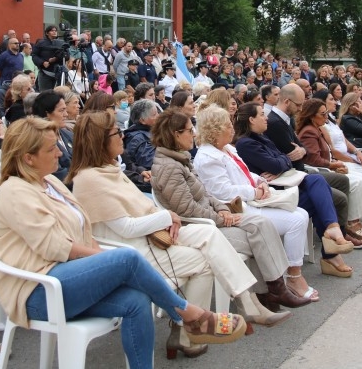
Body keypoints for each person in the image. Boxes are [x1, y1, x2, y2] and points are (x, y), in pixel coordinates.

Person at [0, 118, 246, 368]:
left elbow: (82, 228)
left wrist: (104, 262)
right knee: (127, 258)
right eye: (50, 148)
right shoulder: (15, 192)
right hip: (38, 289)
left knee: (136, 300)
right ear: (27, 158)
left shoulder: (51, 182)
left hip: (66, 279)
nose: (59, 152)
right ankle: (190, 315)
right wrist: (106, 262)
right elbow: (57, 248)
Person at [69, 110, 250, 355]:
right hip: (132, 251)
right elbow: (125, 227)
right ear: (99, 140)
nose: (123, 136)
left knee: (207, 237)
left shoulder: (108, 170)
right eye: (117, 132)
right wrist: (165, 217)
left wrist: (164, 218)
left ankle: (238, 305)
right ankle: (193, 327)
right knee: (204, 260)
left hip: (148, 238)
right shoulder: (90, 179)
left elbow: (141, 212)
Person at [150, 109, 297, 326]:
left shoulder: (179, 159)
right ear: (175, 134)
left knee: (261, 224)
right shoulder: (169, 166)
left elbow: (206, 193)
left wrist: (223, 209)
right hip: (198, 226)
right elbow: (187, 209)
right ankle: (261, 298)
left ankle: (273, 290)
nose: (194, 135)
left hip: (211, 218)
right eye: (190, 131)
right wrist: (220, 218)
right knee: (257, 238)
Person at [192, 106, 316, 306]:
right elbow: (222, 192)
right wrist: (255, 192)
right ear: (214, 129)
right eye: (227, 124)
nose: (232, 127)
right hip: (237, 209)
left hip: (253, 200)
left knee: (301, 214)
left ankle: (289, 277)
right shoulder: (207, 157)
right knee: (296, 220)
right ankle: (291, 278)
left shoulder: (227, 149)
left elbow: (246, 174)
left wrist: (260, 182)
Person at [232, 102, 356, 279]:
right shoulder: (246, 143)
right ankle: (331, 250)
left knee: (317, 182)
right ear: (251, 119)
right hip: (273, 196)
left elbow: (284, 159)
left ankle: (332, 234)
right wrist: (283, 162)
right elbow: (278, 162)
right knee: (319, 191)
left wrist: (282, 163)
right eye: (261, 114)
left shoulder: (262, 137)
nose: (266, 117)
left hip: (286, 185)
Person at [32, 91, 73, 182]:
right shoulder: (40, 140)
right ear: (47, 114)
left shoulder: (69, 134)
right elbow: (58, 174)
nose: (66, 114)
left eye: (65, 110)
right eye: (61, 110)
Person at [123, 99, 159, 170]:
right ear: (142, 120)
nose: (158, 116)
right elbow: (151, 163)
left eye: (157, 112)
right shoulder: (138, 139)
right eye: (154, 114)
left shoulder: (150, 130)